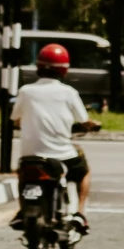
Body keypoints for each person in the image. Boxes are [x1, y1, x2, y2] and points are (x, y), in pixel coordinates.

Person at [12, 41, 99, 225]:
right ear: (64, 70)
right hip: (62, 156)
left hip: (31, 156)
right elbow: (84, 121)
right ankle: (80, 214)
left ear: (38, 67)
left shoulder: (25, 91)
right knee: (84, 172)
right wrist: (94, 125)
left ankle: (22, 209)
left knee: (23, 175)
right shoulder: (69, 93)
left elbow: (16, 119)